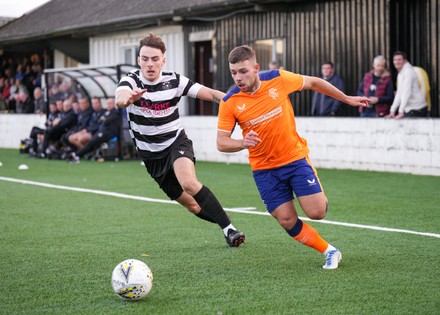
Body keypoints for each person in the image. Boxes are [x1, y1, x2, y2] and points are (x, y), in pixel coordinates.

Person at [217, 45, 370, 268]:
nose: (238, 77)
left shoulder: (278, 78)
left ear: (256, 68)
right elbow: (221, 142)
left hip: (294, 159)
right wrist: (242, 142)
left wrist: (346, 99)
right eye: (233, 72)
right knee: (287, 220)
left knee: (317, 212)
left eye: (243, 71)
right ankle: (330, 251)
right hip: (264, 170)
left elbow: (315, 82)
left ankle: (313, 185)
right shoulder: (229, 101)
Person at [115, 33, 245, 247]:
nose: (150, 64)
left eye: (155, 59)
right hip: (151, 157)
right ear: (138, 60)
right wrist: (128, 98)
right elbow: (120, 98)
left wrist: (238, 102)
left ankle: (229, 231)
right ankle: (224, 220)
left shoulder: (174, 81)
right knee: (192, 206)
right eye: (145, 59)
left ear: (163, 60)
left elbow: (209, 93)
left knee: (188, 182)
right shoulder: (131, 80)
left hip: (176, 142)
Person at [69, 98, 120, 162]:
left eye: (110, 103)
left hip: (108, 133)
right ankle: (79, 154)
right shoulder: (107, 112)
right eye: (107, 103)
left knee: (91, 142)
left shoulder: (115, 112)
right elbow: (99, 121)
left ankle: (77, 154)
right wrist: (103, 119)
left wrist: (104, 119)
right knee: (91, 143)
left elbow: (106, 121)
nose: (108, 105)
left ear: (114, 104)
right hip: (101, 131)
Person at [387, 51, 428, 119]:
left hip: (417, 109)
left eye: (399, 59)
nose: (397, 62)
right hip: (410, 109)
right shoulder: (401, 73)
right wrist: (392, 111)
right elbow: (399, 93)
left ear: (405, 61)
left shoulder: (408, 72)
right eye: (395, 60)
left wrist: (401, 111)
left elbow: (407, 92)